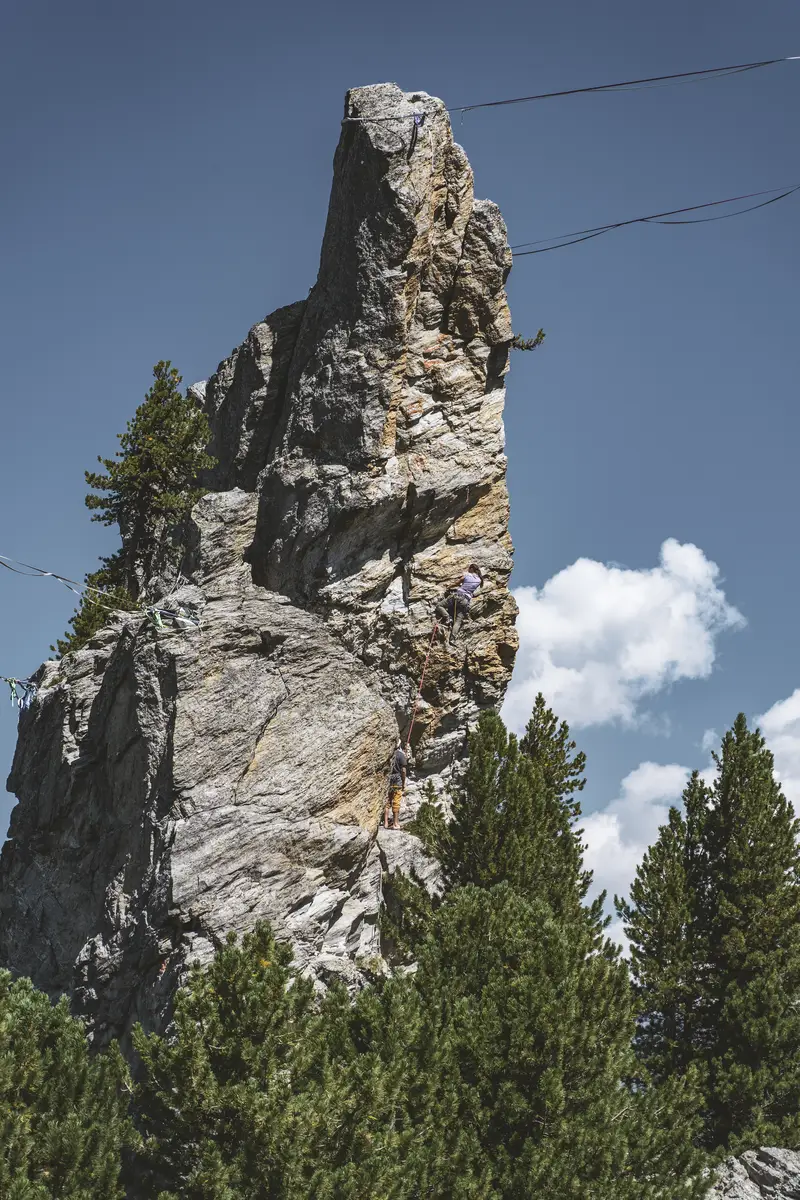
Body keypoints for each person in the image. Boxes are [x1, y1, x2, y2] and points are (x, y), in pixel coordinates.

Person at [435, 564, 483, 646]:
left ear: (471, 569)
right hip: (465, 601)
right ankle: (452, 639)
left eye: (469, 568)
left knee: (439, 605)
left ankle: (448, 617)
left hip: (457, 596)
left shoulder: (467, 575)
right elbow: (475, 591)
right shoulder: (479, 580)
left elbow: (457, 583)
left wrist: (449, 586)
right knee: (458, 621)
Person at [384, 740, 407, 830]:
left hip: (389, 779)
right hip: (397, 779)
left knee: (387, 801)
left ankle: (385, 823)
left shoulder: (389, 754)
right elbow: (403, 771)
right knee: (396, 801)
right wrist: (403, 782)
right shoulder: (401, 755)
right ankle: (395, 823)